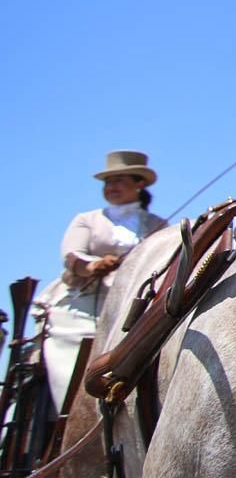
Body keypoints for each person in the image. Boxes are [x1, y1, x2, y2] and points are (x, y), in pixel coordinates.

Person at [38, 150, 167, 412]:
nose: (111, 187)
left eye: (119, 180)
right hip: (85, 304)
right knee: (74, 351)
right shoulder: (87, 219)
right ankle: (73, 408)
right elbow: (72, 255)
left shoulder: (158, 225)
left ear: (138, 183)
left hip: (133, 306)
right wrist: (95, 265)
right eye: (108, 182)